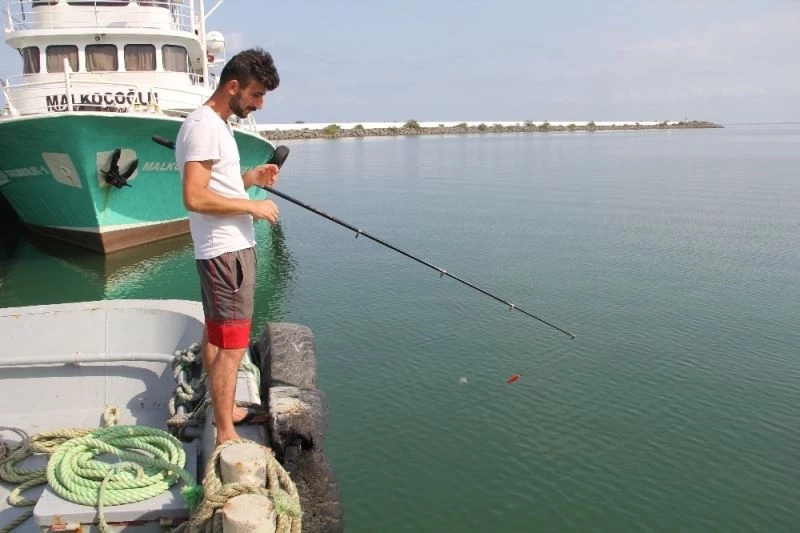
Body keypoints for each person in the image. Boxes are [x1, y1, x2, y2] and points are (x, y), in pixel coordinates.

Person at [175, 48, 280, 445]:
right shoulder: (205, 126)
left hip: (222, 251)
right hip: (227, 254)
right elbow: (195, 196)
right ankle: (226, 433)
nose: (259, 104)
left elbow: (217, 184)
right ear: (233, 86)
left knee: (217, 335)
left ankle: (226, 410)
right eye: (256, 95)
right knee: (232, 346)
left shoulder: (215, 125)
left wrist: (250, 178)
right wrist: (253, 206)